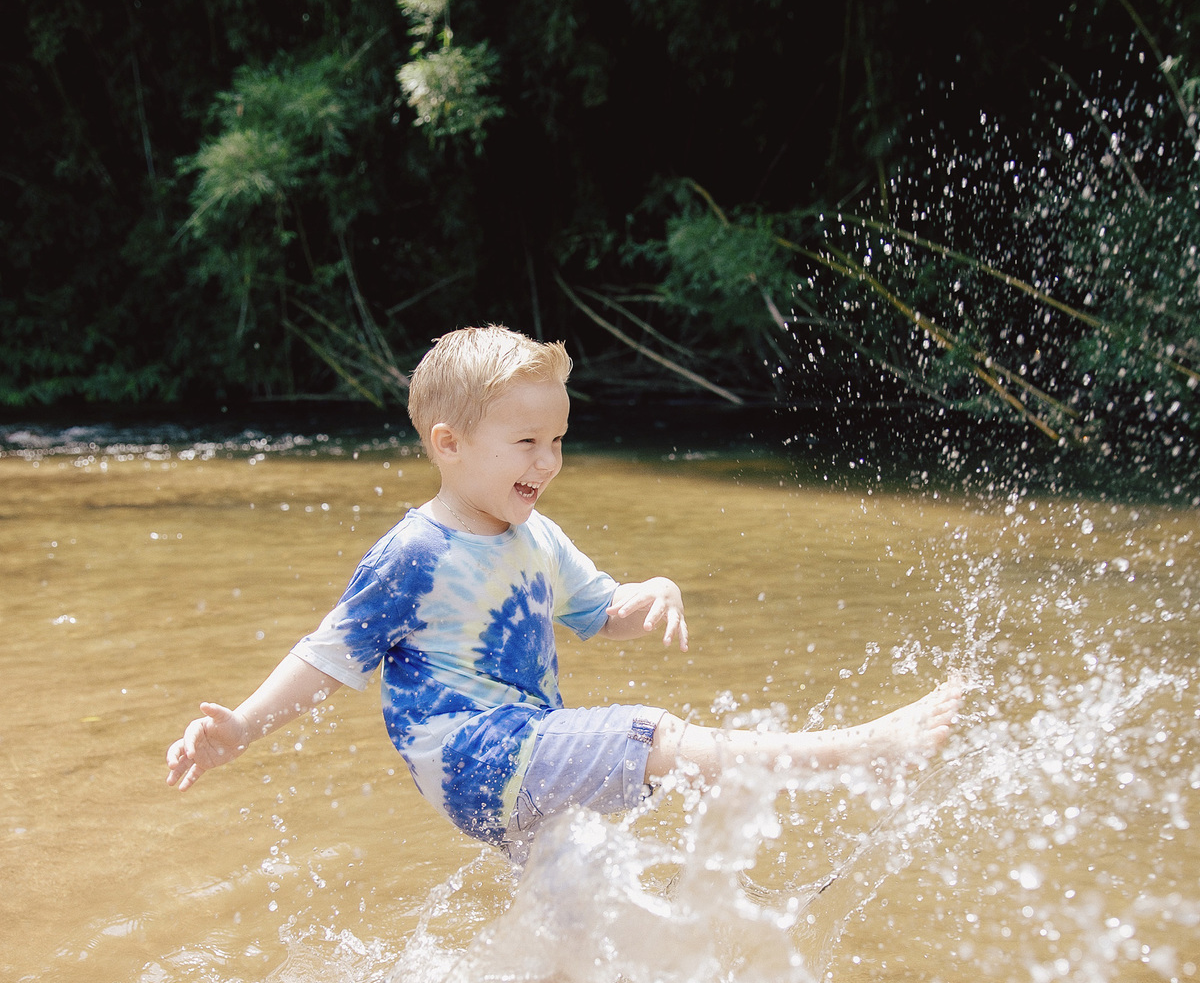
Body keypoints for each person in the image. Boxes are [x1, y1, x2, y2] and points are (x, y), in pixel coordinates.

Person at [166, 326, 961, 856]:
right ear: (449, 444)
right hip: (478, 754)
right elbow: (329, 655)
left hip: (524, 759)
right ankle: (865, 755)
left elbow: (598, 612)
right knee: (648, 737)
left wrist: (648, 592)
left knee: (580, 922)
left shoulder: (537, 536)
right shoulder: (416, 552)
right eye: (526, 443)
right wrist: (239, 727)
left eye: (556, 443)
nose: (546, 463)